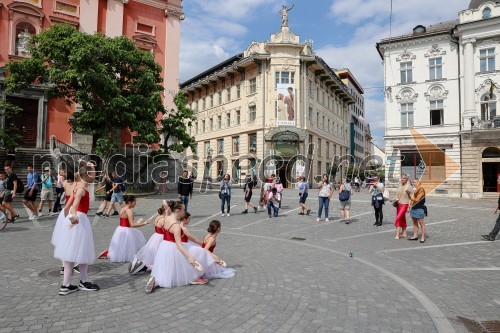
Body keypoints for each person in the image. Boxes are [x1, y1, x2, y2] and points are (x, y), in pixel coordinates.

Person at [53, 163, 99, 295]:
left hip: (74, 220)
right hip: (79, 220)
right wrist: (74, 218)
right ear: (85, 175)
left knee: (72, 253)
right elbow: (73, 207)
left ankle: (66, 285)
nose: (95, 176)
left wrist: (92, 167)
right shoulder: (80, 189)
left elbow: (67, 207)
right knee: (81, 251)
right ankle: (83, 281)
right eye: (92, 173)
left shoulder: (79, 186)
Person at [147, 201, 213, 292]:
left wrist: (167, 205)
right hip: (173, 246)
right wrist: (190, 257)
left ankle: (156, 282)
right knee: (200, 252)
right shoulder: (176, 226)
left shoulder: (166, 217)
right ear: (178, 210)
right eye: (183, 210)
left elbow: (165, 204)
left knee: (168, 268)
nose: (184, 212)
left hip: (164, 246)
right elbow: (178, 244)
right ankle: (194, 277)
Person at [51, 170, 80, 276]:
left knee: (64, 238)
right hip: (73, 210)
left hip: (65, 211)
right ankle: (75, 264)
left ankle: (64, 266)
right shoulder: (77, 185)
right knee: (75, 238)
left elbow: (59, 184)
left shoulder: (64, 183)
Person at [129, 204, 170, 275]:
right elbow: (167, 231)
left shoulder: (158, 217)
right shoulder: (163, 219)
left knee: (155, 252)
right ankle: (153, 266)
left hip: (156, 236)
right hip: (161, 237)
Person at [107, 195, 148, 263]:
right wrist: (144, 223)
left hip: (120, 229)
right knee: (134, 240)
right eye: (134, 201)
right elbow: (132, 225)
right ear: (130, 202)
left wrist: (137, 222)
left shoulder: (122, 209)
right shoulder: (129, 211)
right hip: (127, 230)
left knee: (123, 244)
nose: (135, 203)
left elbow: (125, 222)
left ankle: (122, 255)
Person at [393, 174, 413, 240]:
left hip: (405, 204)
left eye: (404, 178)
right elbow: (397, 195)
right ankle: (404, 233)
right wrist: (395, 200)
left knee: (398, 218)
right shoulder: (400, 185)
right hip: (399, 204)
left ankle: (397, 234)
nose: (402, 179)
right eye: (401, 178)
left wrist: (409, 207)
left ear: (407, 179)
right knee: (402, 218)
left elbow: (411, 198)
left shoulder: (409, 187)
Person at [408, 179, 426, 243]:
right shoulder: (415, 190)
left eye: (415, 182)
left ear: (419, 182)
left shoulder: (421, 189)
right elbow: (412, 200)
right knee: (414, 223)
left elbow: (417, 199)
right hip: (413, 208)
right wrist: (409, 206)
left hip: (419, 208)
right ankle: (415, 236)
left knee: (421, 223)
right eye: (413, 182)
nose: (414, 183)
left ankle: (423, 237)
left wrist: (409, 195)